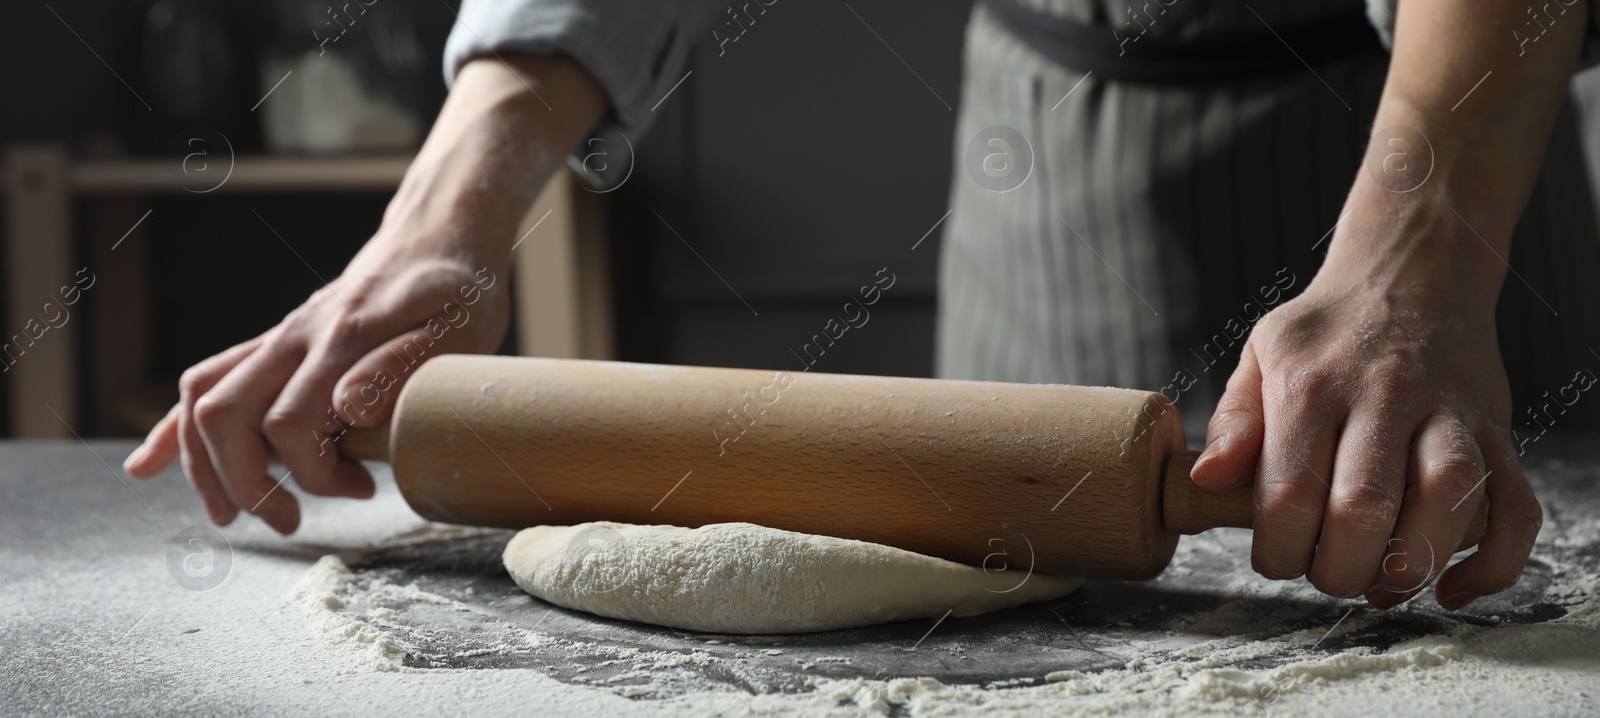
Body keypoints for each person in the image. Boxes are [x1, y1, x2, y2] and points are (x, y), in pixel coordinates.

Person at [125, 0, 1600, 614]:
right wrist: (444, 216)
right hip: (1057, 133)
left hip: (1450, 131)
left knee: (1474, 595)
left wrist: (1421, 254)